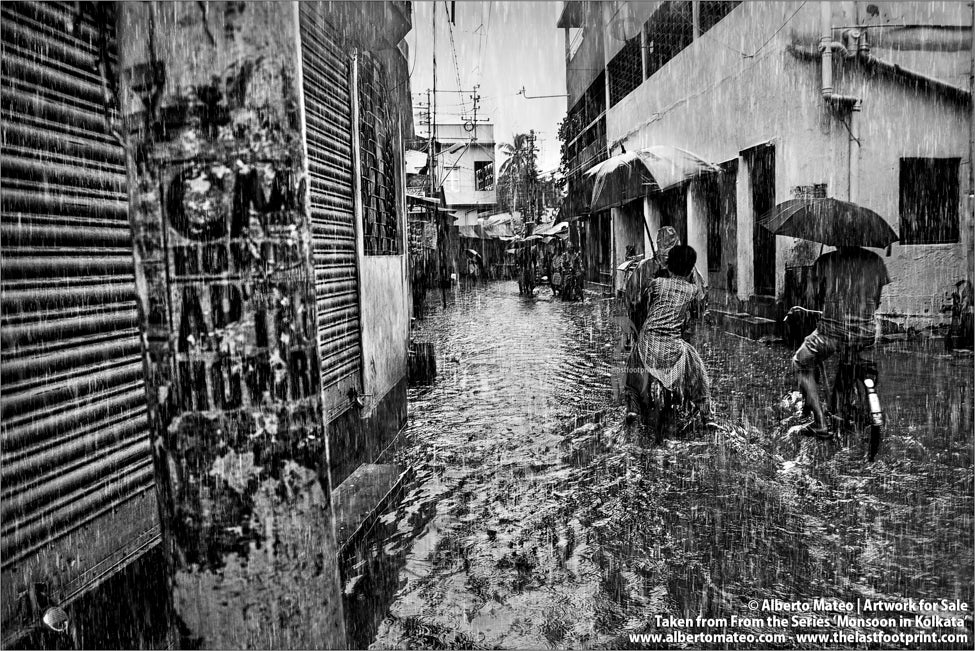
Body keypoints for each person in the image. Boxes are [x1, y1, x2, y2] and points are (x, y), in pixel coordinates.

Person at [792, 245, 890, 437]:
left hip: (831, 333)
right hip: (866, 332)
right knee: (852, 357)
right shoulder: (875, 261)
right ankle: (853, 402)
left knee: (800, 361)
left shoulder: (826, 261)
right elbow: (877, 301)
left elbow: (811, 298)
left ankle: (820, 423)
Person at [624, 244, 716, 431]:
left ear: (668, 264)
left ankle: (632, 408)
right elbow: (698, 312)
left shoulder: (656, 283)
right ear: (691, 268)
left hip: (648, 341)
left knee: (631, 369)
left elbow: (641, 304)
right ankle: (707, 415)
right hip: (673, 344)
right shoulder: (692, 291)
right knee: (698, 371)